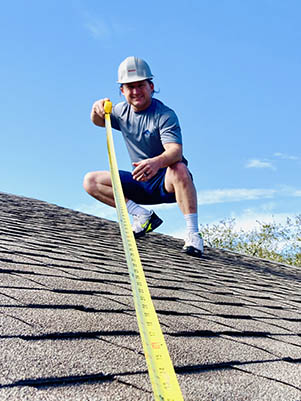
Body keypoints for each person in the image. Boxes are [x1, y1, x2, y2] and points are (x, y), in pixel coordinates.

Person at [83, 56, 203, 257]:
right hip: (140, 180)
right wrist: (96, 108)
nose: (136, 91)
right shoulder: (121, 111)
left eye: (141, 85)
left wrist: (156, 162)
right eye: (130, 87)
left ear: (151, 86)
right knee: (91, 181)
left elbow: (175, 151)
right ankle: (142, 216)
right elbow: (98, 122)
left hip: (167, 182)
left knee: (180, 168)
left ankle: (193, 234)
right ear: (122, 90)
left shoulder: (164, 115)